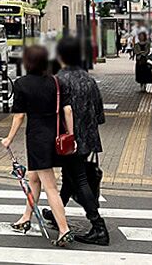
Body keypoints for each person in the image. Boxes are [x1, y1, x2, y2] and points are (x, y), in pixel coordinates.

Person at [0, 44, 74, 247]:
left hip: (37, 138)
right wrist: (71, 135)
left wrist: (9, 139)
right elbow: (67, 110)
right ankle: (25, 218)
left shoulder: (22, 84)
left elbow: (19, 116)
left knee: (50, 186)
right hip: (55, 136)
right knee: (34, 178)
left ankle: (64, 228)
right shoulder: (56, 82)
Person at [41, 38, 109, 246]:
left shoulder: (59, 80)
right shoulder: (88, 79)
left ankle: (99, 227)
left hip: (69, 140)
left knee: (78, 179)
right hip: (88, 137)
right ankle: (56, 213)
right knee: (71, 178)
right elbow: (100, 115)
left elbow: (55, 112)